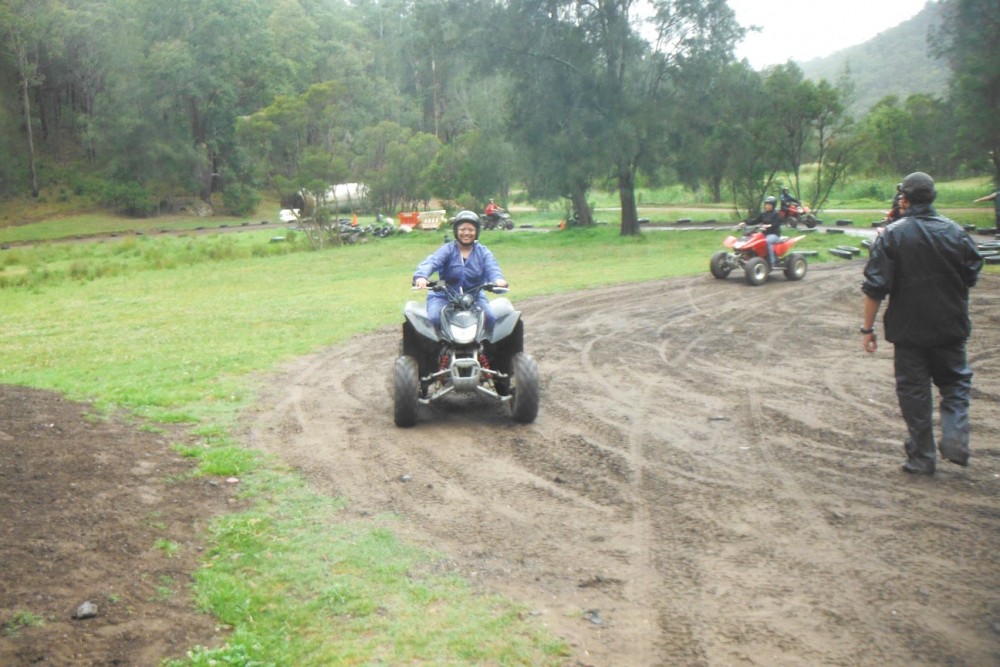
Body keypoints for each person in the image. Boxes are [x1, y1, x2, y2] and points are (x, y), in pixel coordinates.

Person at [861, 171, 983, 475]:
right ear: (933, 197)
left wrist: (867, 328)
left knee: (914, 392)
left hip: (909, 331)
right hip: (950, 326)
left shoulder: (891, 235)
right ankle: (954, 436)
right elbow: (971, 274)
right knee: (955, 383)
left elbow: (875, 286)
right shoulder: (956, 233)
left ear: (904, 198)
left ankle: (922, 456)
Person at [412, 210, 507, 328]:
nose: (466, 233)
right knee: (435, 319)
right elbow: (432, 262)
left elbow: (492, 268)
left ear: (476, 232)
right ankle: (436, 346)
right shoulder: (448, 249)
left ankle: (488, 347)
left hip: (474, 297)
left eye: (471, 230)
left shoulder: (483, 252)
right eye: (462, 229)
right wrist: (421, 276)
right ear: (456, 231)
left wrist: (498, 280)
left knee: (490, 319)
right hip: (444, 295)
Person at [750, 196, 782, 267]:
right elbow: (755, 221)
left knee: (768, 241)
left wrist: (769, 226)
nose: (767, 206)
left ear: (773, 205)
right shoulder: (763, 214)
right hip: (764, 234)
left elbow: (777, 224)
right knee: (752, 239)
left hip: (774, 234)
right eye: (766, 204)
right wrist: (744, 222)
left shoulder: (776, 214)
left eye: (769, 205)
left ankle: (772, 262)